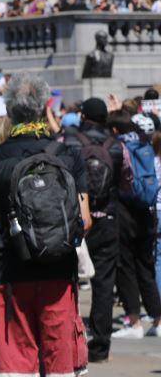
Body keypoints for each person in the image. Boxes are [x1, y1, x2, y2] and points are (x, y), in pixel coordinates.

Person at [0, 75, 91, 377]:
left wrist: (15, 235)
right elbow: (85, 221)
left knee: (16, 367)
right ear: (45, 107)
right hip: (60, 273)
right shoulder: (68, 155)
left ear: (9, 109)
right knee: (60, 365)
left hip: (13, 273)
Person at [58, 96, 129, 361]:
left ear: (84, 116)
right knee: (104, 283)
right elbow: (126, 181)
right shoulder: (117, 145)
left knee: (68, 280)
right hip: (108, 218)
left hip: (75, 219)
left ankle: (68, 339)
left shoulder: (69, 140)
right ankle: (100, 344)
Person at [108, 109, 161, 338]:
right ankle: (159, 321)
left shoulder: (118, 145)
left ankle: (134, 322)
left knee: (125, 267)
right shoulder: (144, 144)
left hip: (125, 211)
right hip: (146, 211)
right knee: (146, 267)